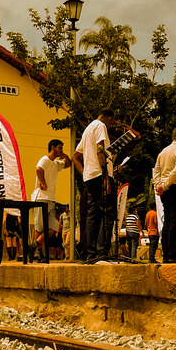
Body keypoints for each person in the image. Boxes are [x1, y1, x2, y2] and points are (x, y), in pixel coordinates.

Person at [72, 110, 117, 263]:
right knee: (108, 212)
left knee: (93, 214)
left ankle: (90, 253)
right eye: (111, 122)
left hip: (90, 177)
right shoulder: (100, 126)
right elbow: (100, 150)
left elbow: (75, 157)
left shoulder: (88, 129)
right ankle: (102, 251)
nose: (110, 126)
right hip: (99, 175)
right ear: (108, 118)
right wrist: (106, 177)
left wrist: (84, 173)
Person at [153, 127, 176, 264]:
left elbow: (156, 170)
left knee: (168, 222)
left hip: (165, 191)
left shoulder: (163, 152)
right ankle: (173, 255)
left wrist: (159, 184)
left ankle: (166, 255)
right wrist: (164, 185)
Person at [32, 139, 72, 262]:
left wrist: (65, 156)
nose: (61, 150)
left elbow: (68, 164)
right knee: (39, 228)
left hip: (51, 199)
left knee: (54, 228)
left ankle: (34, 246)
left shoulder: (56, 163)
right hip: (41, 198)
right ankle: (37, 252)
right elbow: (38, 169)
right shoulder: (45, 159)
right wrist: (43, 183)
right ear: (53, 148)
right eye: (60, 148)